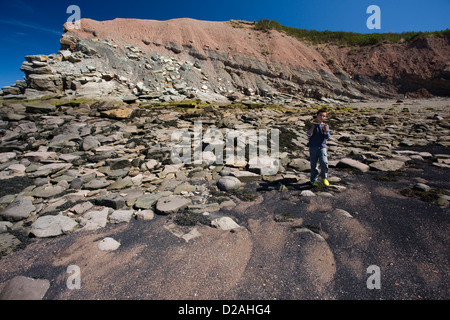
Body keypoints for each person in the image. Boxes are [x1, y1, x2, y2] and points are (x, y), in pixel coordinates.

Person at [306, 108, 330, 187]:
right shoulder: (312, 124)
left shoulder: (325, 126)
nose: (322, 117)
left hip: (322, 146)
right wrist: (312, 127)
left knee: (324, 162)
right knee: (314, 164)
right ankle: (313, 180)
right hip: (313, 147)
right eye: (320, 115)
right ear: (317, 116)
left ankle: (324, 177)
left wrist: (326, 130)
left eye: (324, 116)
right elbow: (309, 134)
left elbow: (327, 137)